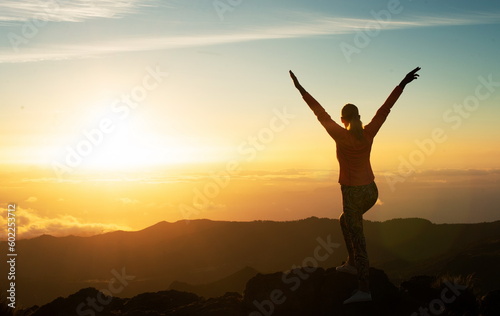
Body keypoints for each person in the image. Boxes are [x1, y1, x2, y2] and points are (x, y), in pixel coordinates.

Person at [289, 67, 421, 304]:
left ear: (343, 120)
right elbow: (385, 109)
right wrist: (402, 83)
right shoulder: (369, 132)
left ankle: (364, 289)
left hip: (352, 194)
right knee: (344, 221)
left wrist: (300, 89)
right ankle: (351, 263)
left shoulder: (341, 135)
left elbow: (319, 113)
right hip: (371, 191)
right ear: (358, 116)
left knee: (359, 240)